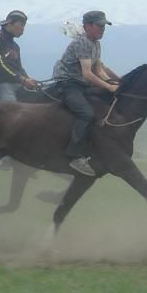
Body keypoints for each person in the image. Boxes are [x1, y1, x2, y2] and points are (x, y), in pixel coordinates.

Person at [52, 10, 122, 177]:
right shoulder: (83, 42)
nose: (103, 29)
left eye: (104, 26)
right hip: (68, 84)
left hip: (81, 84)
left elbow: (98, 69)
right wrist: (109, 87)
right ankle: (74, 155)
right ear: (88, 26)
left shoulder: (96, 43)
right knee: (87, 114)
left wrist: (111, 83)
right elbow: (87, 73)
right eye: (100, 25)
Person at [0, 10, 38, 101]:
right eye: (21, 24)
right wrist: (23, 80)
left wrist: (28, 79)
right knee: (12, 108)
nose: (22, 29)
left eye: (24, 26)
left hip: (17, 83)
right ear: (10, 23)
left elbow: (19, 68)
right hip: (2, 83)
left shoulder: (15, 46)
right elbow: (0, 64)